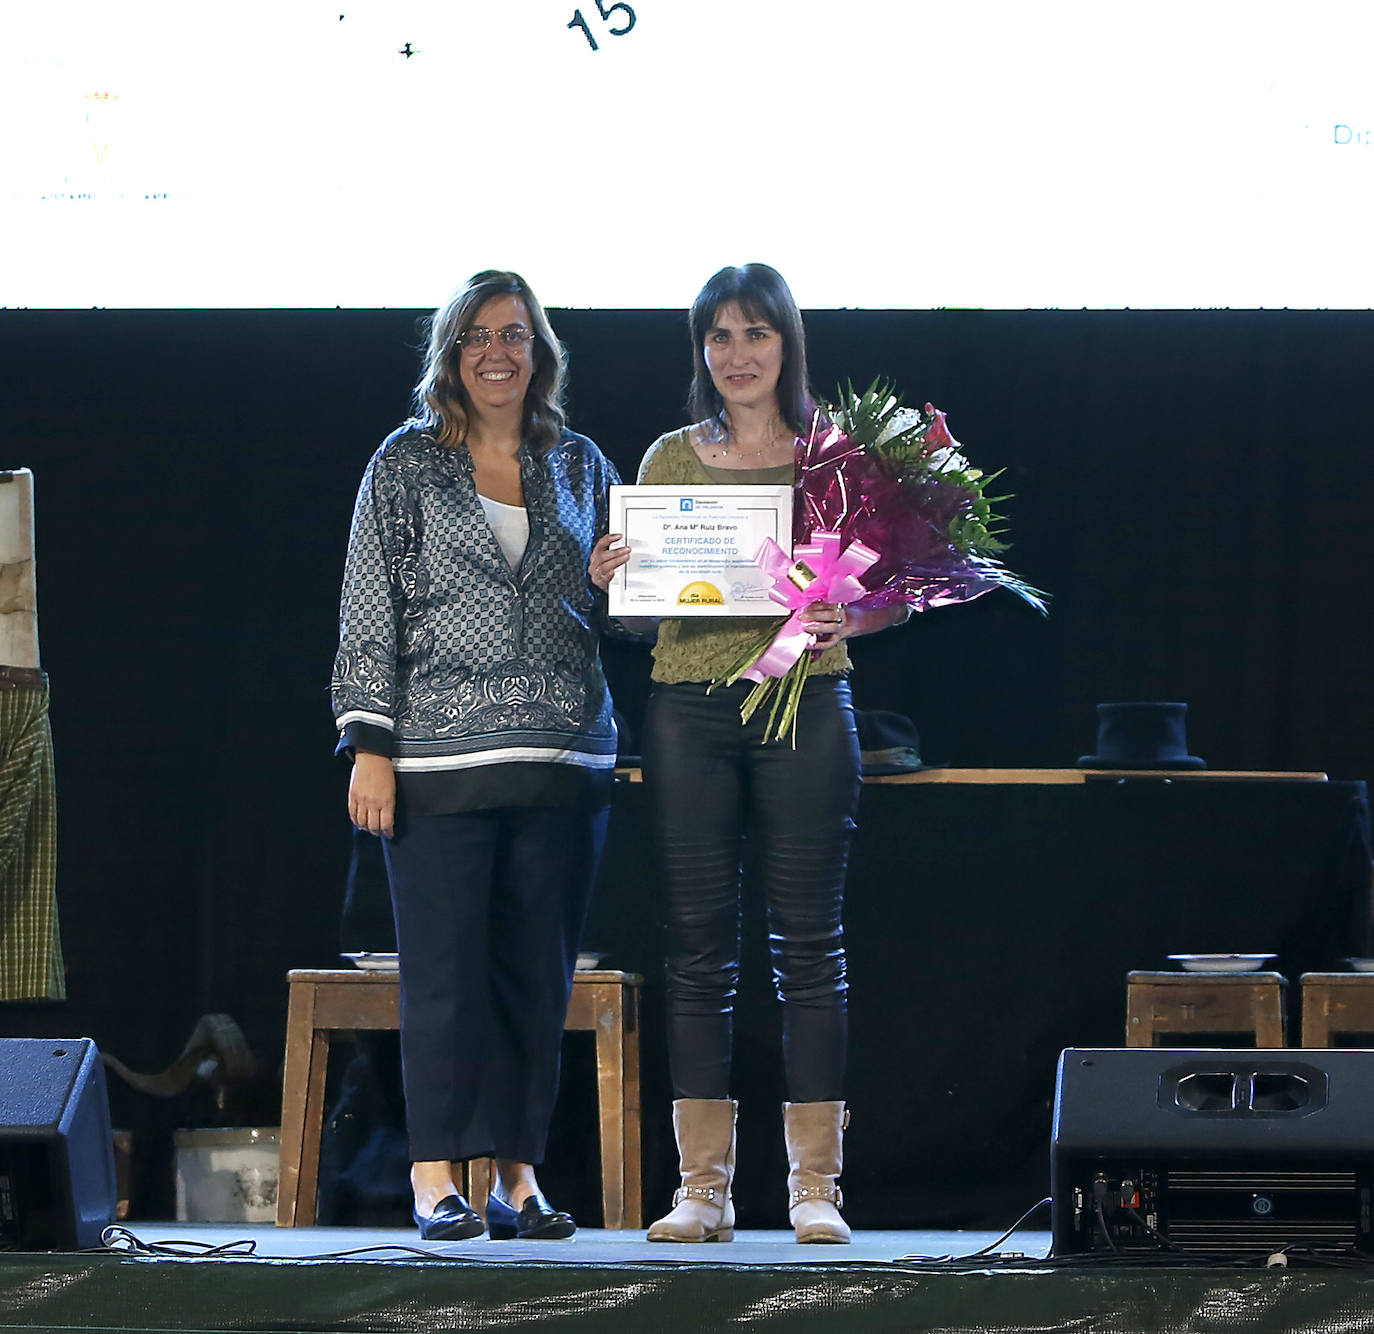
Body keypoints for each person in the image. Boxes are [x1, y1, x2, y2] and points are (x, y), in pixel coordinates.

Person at [589, 263, 910, 1244]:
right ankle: (704, 1189)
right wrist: (616, 580)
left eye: (755, 334)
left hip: (807, 704)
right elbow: (646, 623)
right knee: (697, 953)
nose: (737, 354)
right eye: (719, 337)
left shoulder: (832, 458)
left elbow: (886, 592)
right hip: (688, 713)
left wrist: (844, 606)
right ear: (701, 351)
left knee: (809, 946)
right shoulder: (669, 457)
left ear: (787, 345)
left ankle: (816, 1188)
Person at [333, 269, 620, 1241]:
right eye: (477, 337)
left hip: (565, 761)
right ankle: (432, 1177)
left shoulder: (582, 464)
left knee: (535, 978)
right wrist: (369, 745)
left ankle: (517, 1178)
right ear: (451, 355)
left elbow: (620, 616)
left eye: (515, 334)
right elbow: (369, 610)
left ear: (540, 351)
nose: (498, 352)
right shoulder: (404, 464)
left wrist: (618, 582)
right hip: (435, 767)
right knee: (444, 978)